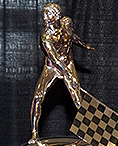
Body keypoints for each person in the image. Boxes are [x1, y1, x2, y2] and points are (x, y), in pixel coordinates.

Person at [30, 2, 92, 138]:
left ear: (56, 15)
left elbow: (71, 37)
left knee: (77, 98)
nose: (45, 17)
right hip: (52, 67)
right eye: (44, 14)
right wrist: (68, 75)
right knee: (38, 97)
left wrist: (83, 45)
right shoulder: (46, 37)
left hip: (68, 63)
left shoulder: (66, 23)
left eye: (48, 14)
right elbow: (56, 59)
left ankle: (90, 132)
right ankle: (34, 134)